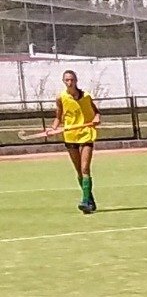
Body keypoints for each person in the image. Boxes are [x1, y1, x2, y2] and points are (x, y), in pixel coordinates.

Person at [49, 70, 102, 214]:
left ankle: (84, 201)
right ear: (63, 81)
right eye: (67, 80)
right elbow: (58, 117)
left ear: (76, 80)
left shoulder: (86, 96)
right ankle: (90, 199)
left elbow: (96, 113)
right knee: (78, 170)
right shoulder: (61, 97)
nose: (70, 82)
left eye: (72, 80)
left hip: (86, 134)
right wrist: (53, 128)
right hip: (70, 135)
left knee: (85, 168)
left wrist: (96, 118)